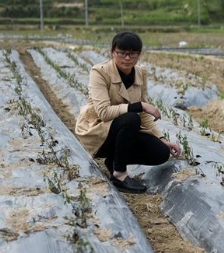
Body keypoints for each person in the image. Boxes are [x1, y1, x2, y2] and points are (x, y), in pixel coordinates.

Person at [75, 31, 181, 194]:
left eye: (132, 54)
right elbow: (104, 113)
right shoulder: (100, 72)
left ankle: (115, 161)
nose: (127, 58)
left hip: (123, 130)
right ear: (113, 52)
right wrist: (139, 106)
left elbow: (144, 114)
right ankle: (119, 175)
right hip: (99, 132)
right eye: (122, 53)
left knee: (161, 153)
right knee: (131, 118)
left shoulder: (140, 73)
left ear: (138, 55)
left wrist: (161, 139)